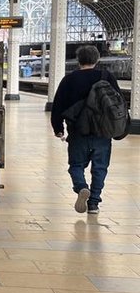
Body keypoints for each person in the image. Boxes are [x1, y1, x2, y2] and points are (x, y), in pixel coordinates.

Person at [51, 45, 122, 214]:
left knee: (76, 165)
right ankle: (94, 203)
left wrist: (58, 128)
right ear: (97, 59)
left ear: (78, 60)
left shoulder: (70, 79)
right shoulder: (107, 77)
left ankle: (82, 187)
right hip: (102, 132)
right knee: (100, 168)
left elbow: (58, 105)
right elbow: (118, 104)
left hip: (78, 131)